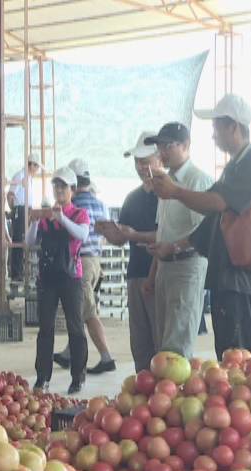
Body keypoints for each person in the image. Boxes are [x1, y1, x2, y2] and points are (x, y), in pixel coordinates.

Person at [151, 94, 251, 359]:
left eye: (217, 127)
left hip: (241, 274)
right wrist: (177, 244)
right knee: (228, 355)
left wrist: (176, 192)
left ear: (233, 127)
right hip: (227, 274)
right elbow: (213, 220)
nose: (213, 135)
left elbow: (217, 203)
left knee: (242, 359)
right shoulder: (235, 165)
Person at [142, 122, 213, 359]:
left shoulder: (197, 180)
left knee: (177, 344)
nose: (162, 152)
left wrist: (174, 246)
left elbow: (205, 230)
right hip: (165, 265)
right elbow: (163, 229)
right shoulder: (164, 181)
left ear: (186, 145)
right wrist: (152, 274)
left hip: (187, 266)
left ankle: (176, 394)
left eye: (168, 145)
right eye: (160, 146)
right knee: (164, 341)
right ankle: (166, 393)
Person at [98, 131, 160, 372]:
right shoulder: (132, 198)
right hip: (135, 274)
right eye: (137, 161)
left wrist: (132, 235)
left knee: (161, 342)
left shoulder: (168, 195)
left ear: (160, 158)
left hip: (159, 275)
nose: (141, 167)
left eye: (145, 161)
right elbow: (121, 239)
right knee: (140, 343)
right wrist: (109, 233)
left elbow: (165, 236)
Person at [27, 166, 90, 394]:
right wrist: (35, 219)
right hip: (48, 277)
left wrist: (61, 217)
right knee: (45, 328)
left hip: (72, 277)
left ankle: (78, 376)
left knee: (75, 327)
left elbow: (82, 234)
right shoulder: (46, 217)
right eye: (56, 186)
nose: (59, 190)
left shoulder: (79, 214)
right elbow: (31, 240)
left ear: (72, 189)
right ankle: (42, 376)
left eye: (63, 186)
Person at [53, 158, 115, 374]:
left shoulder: (75, 206)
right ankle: (69, 353)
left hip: (81, 261)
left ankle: (106, 356)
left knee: (88, 311)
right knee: (79, 310)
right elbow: (106, 236)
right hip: (97, 260)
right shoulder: (101, 205)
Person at [8, 153, 42, 281]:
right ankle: (17, 273)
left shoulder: (28, 177)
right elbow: (10, 195)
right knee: (19, 240)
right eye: (36, 166)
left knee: (24, 240)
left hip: (26, 209)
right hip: (21, 209)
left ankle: (21, 271)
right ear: (31, 165)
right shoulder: (20, 176)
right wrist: (15, 210)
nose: (37, 169)